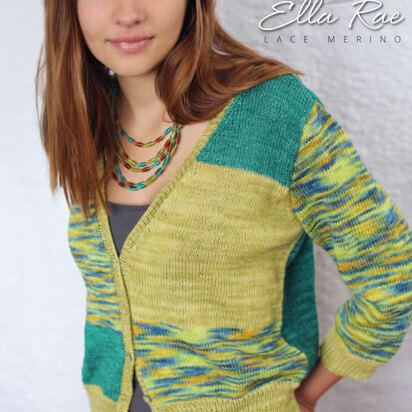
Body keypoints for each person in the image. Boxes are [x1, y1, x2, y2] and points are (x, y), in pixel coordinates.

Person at [35, 1, 412, 412]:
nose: (127, 14)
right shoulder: (88, 120)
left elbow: (393, 271)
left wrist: (306, 394)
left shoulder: (273, 116)